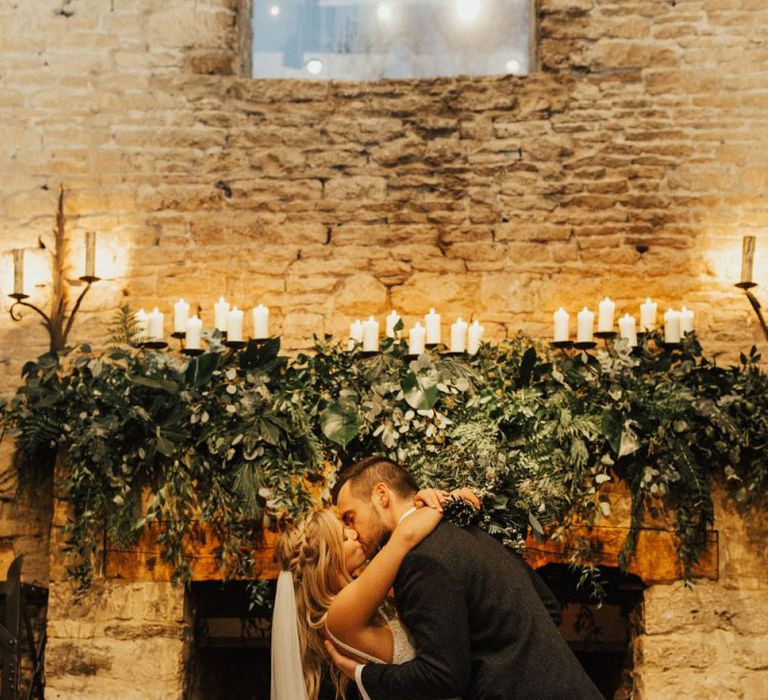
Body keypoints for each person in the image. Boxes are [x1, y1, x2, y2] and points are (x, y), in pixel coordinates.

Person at [326, 455, 604, 700]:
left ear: (382, 495)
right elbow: (550, 608)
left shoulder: (419, 560)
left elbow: (442, 676)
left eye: (351, 517)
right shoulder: (464, 529)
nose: (353, 531)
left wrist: (364, 675)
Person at [271, 486, 467, 700]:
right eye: (344, 536)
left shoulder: (368, 598)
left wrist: (421, 500)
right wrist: (452, 499)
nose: (354, 533)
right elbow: (405, 536)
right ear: (327, 561)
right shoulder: (340, 614)